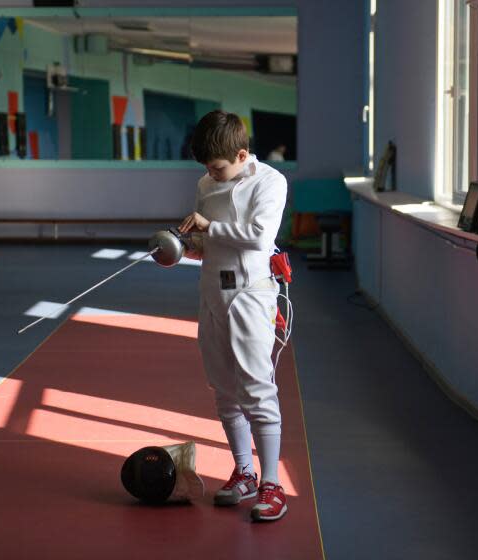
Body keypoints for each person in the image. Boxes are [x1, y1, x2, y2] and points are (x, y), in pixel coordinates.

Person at [178, 110, 288, 522]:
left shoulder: (270, 182)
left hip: (250, 295)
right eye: (207, 167)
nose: (212, 173)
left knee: (257, 388)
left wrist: (209, 228)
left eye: (218, 166)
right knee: (222, 387)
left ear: (242, 154)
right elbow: (205, 244)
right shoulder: (206, 183)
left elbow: (261, 237)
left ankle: (272, 483)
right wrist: (184, 246)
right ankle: (244, 470)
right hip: (212, 292)